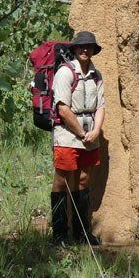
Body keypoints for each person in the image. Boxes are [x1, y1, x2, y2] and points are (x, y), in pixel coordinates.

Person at [50, 31, 105, 245]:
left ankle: (82, 233)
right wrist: (82, 134)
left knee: (84, 178)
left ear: (93, 50)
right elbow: (62, 108)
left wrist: (96, 131)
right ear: (74, 49)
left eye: (89, 47)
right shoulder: (65, 73)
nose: (85, 50)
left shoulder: (96, 75)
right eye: (81, 47)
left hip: (90, 133)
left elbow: (101, 106)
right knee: (62, 180)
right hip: (67, 135)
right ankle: (60, 235)